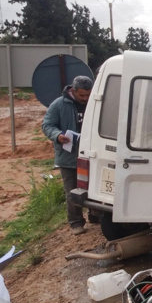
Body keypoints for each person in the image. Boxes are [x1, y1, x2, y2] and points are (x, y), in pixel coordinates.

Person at [42, 76, 97, 235]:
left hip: (91, 154)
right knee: (71, 190)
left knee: (93, 186)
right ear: (73, 91)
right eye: (82, 96)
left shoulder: (95, 102)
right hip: (68, 157)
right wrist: (57, 136)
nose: (86, 99)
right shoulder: (58, 104)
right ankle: (76, 222)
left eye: (88, 95)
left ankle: (95, 215)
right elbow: (47, 125)